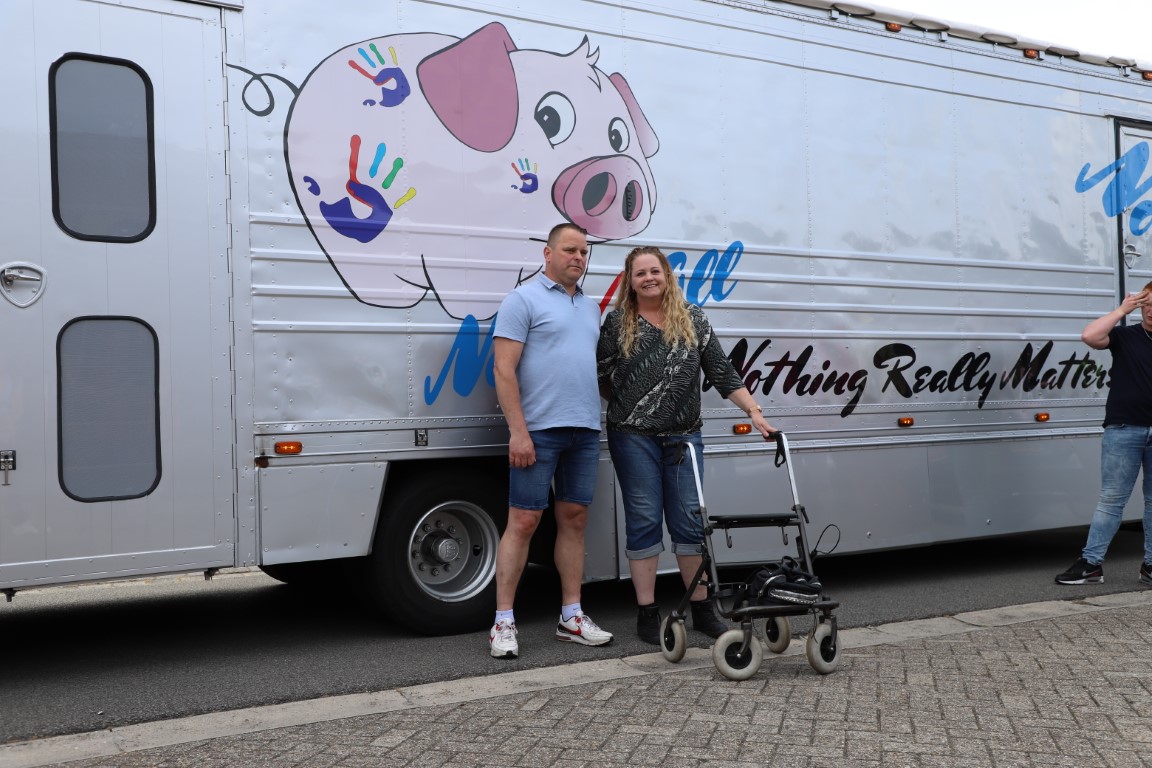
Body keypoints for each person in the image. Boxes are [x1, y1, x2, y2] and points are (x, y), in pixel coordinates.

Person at [597, 245, 777, 644]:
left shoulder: (693, 318)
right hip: (632, 437)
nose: (649, 278)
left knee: (690, 522)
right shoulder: (617, 324)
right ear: (630, 281)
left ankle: (701, 609)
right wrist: (635, 404)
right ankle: (647, 612)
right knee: (644, 519)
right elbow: (601, 376)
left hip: (684, 436)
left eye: (654, 271)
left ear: (666, 275)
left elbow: (722, 371)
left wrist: (754, 411)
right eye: (640, 273)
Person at [488, 223, 613, 659]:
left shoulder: (590, 307)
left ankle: (571, 617)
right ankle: (503, 622)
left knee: (574, 519)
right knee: (523, 522)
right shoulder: (522, 300)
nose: (578, 257)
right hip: (538, 431)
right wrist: (518, 432)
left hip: (584, 430)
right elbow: (503, 369)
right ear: (547, 253)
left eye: (584, 252)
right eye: (570, 250)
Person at [1055, 282, 1152, 587]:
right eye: (1147, 304)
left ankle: (1150, 567)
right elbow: (1089, 336)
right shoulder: (1126, 336)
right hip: (1124, 428)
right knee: (1111, 500)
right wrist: (1123, 309)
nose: (1150, 311)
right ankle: (1091, 564)